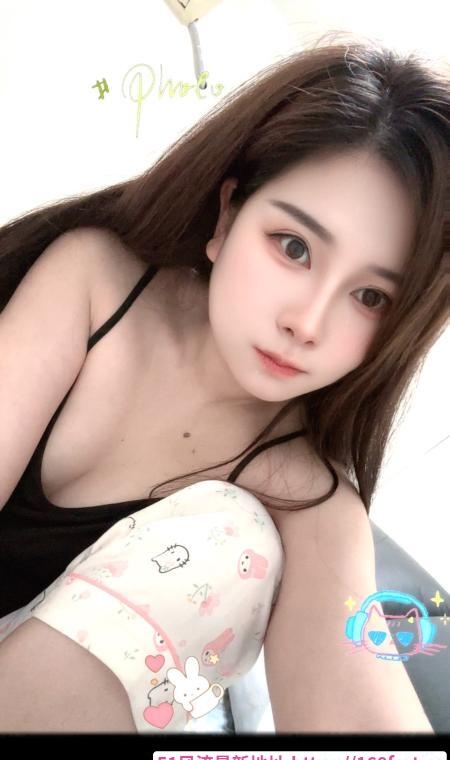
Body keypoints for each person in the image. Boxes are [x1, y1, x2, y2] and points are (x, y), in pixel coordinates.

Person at [0, 34, 448, 733]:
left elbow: (361, 710)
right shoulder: (95, 282)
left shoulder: (306, 499)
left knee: (238, 546)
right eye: (294, 247)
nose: (306, 323)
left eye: (370, 298)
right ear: (229, 215)